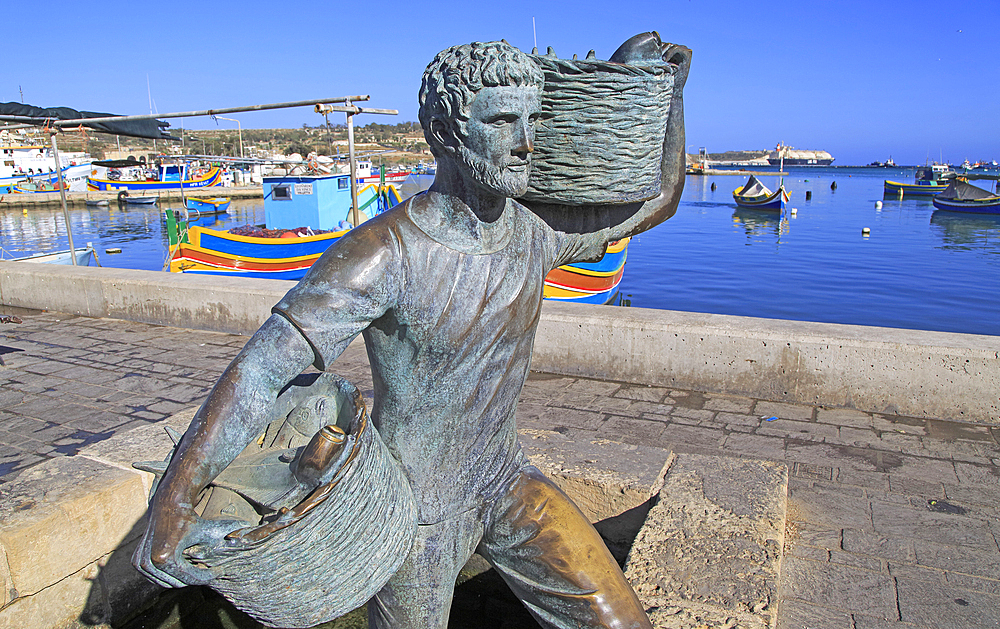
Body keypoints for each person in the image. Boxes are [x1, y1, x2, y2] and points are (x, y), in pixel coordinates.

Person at [135, 37, 689, 629]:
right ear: (447, 131)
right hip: (413, 506)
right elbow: (263, 369)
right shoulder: (383, 255)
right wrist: (171, 513)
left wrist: (671, 98)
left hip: (506, 479)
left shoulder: (534, 234)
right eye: (502, 120)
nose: (526, 143)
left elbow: (657, 199)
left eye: (534, 119)